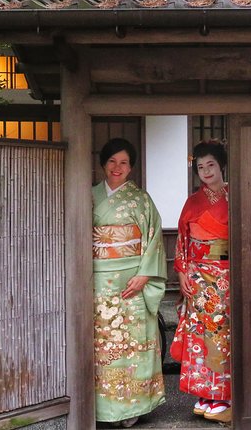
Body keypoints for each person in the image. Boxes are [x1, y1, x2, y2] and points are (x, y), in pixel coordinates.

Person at [92, 138, 167, 428]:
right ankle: (102, 406)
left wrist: (145, 276)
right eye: (112, 161)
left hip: (133, 279)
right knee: (102, 346)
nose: (117, 167)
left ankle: (133, 406)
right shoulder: (90, 196)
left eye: (123, 162)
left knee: (134, 343)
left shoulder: (141, 200)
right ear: (103, 164)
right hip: (98, 280)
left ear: (131, 167)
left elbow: (154, 238)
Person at [170, 139, 231, 423]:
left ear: (222, 166)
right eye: (200, 167)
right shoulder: (192, 202)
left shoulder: (234, 197)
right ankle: (204, 393)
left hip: (225, 275)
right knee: (199, 336)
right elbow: (182, 240)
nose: (205, 171)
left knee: (221, 335)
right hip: (197, 277)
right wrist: (182, 273)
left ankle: (222, 395)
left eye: (211, 165)